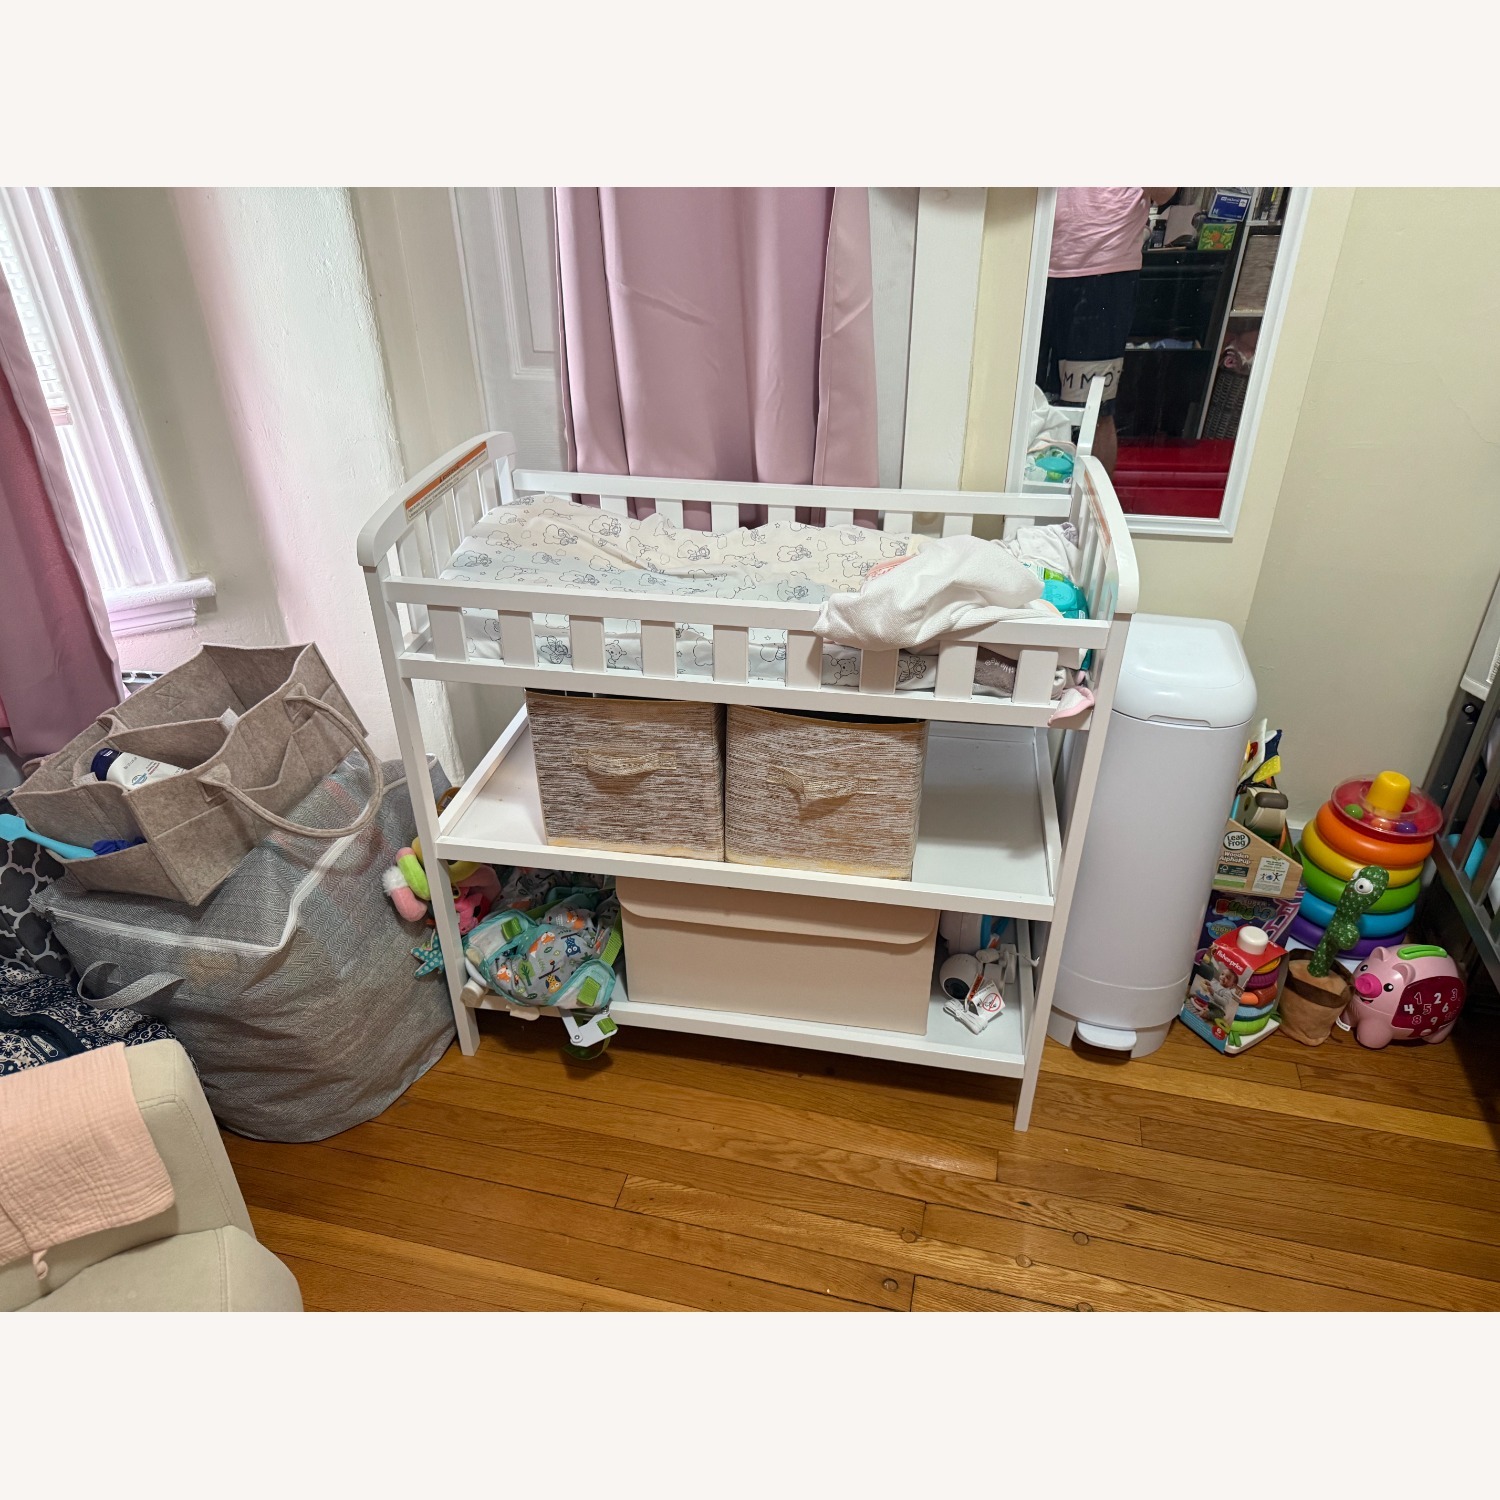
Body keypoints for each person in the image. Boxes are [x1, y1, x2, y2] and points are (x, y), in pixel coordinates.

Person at [1036, 188, 1175, 477]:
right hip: (1032, 259)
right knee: (1030, 402)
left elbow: (1164, 192)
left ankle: (1092, 515)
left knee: (1095, 409)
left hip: (1106, 268)